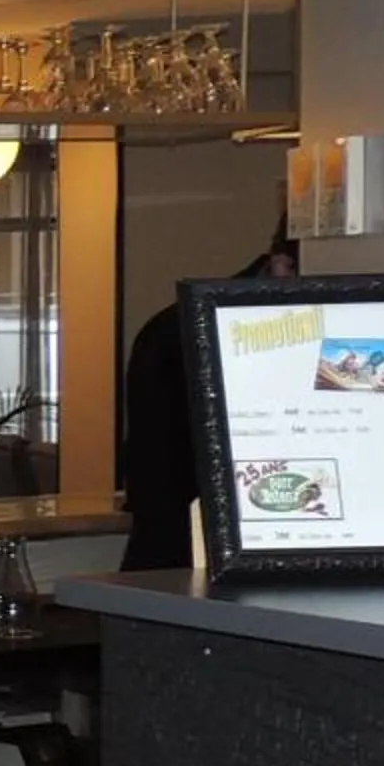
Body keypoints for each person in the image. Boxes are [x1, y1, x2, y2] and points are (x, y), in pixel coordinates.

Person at [121, 230, 297, 572]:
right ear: (283, 267)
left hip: (177, 548)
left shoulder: (175, 324)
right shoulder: (199, 330)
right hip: (194, 553)